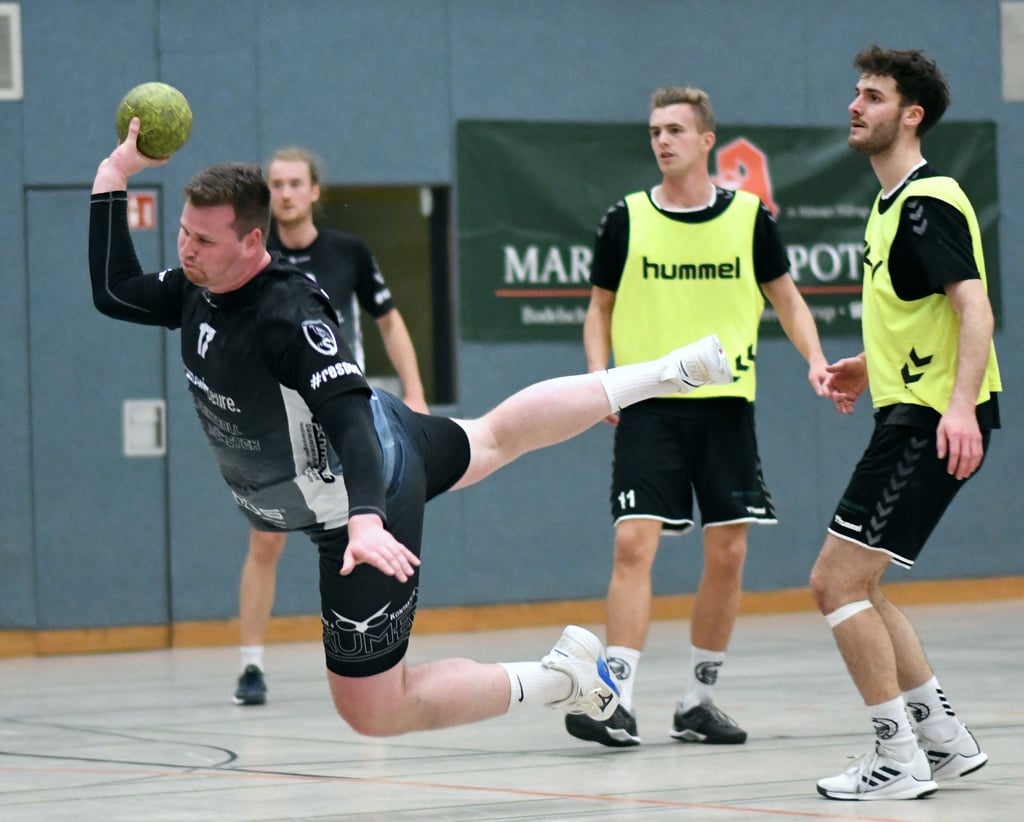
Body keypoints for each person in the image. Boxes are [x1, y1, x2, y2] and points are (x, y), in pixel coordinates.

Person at [89, 118, 736, 739]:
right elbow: (114, 290)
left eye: (202, 240)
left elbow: (349, 424)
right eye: (182, 233)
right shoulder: (198, 286)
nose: (185, 249)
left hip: (362, 496)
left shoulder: (286, 315)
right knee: (491, 438)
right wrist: (114, 172)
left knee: (375, 709)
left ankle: (556, 679)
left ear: (252, 243)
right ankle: (665, 372)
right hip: (371, 451)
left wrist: (367, 519)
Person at [566, 86, 828, 748]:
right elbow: (598, 307)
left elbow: (789, 302)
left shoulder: (749, 217)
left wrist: (816, 359)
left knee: (729, 552)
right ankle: (615, 700)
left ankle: (698, 702)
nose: (662, 140)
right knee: (633, 542)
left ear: (707, 140)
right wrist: (601, 377)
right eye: (655, 129)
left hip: (726, 407)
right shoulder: (623, 219)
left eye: (676, 129)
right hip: (648, 400)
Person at [811, 45, 1001, 800]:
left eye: (874, 96)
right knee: (865, 584)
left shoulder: (927, 201)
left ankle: (898, 757)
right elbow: (923, 316)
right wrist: (868, 362)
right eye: (856, 93)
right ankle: (944, 741)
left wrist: (958, 408)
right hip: (913, 407)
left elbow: (974, 307)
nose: (856, 106)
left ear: (910, 115)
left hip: (929, 420)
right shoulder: (892, 205)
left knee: (835, 583)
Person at [233, 147, 428, 706]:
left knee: (372, 530)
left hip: (343, 420)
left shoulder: (349, 253)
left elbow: (390, 323)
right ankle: (251, 666)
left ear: (315, 191)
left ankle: (380, 658)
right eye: (276, 184)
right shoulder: (254, 258)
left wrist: (412, 392)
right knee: (265, 542)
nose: (286, 192)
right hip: (277, 429)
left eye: (296, 183)